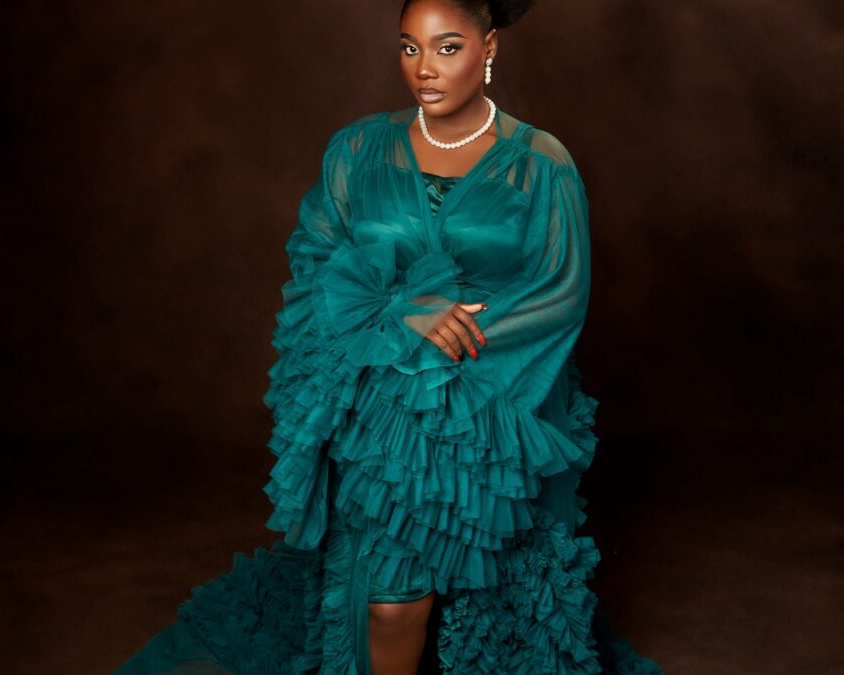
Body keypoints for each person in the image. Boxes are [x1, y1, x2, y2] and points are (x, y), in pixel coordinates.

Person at [115, 0, 664, 673]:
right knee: (389, 603)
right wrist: (406, 319)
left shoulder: (541, 164)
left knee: (488, 601)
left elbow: (559, 293)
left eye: (447, 47)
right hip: (381, 409)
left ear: (489, 47)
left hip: (496, 400)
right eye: (410, 47)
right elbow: (320, 267)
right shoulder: (357, 151)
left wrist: (452, 355)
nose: (424, 68)